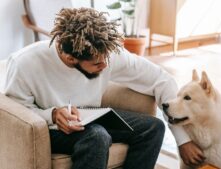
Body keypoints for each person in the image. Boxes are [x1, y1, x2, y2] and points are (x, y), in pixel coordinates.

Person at [4, 8, 204, 169]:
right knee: (97, 136)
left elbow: (162, 80)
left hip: (91, 117)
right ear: (70, 59)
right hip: (47, 127)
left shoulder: (107, 54)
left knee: (154, 127)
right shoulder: (25, 64)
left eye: (106, 60)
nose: (105, 66)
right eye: (97, 65)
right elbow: (15, 117)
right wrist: (53, 115)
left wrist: (183, 140)